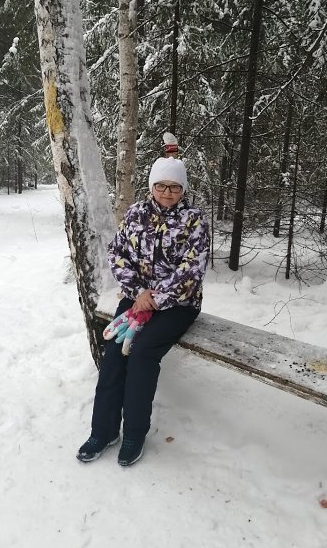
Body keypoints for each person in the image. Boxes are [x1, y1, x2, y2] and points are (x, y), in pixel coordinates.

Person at [76, 156, 210, 466]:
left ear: (183, 189)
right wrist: (139, 293)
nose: (167, 192)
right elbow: (117, 254)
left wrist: (156, 298)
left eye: (174, 187)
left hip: (178, 304)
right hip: (137, 297)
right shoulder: (136, 213)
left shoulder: (194, 220)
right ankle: (103, 431)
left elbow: (193, 268)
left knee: (141, 353)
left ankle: (134, 434)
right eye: (161, 185)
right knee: (114, 353)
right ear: (152, 186)